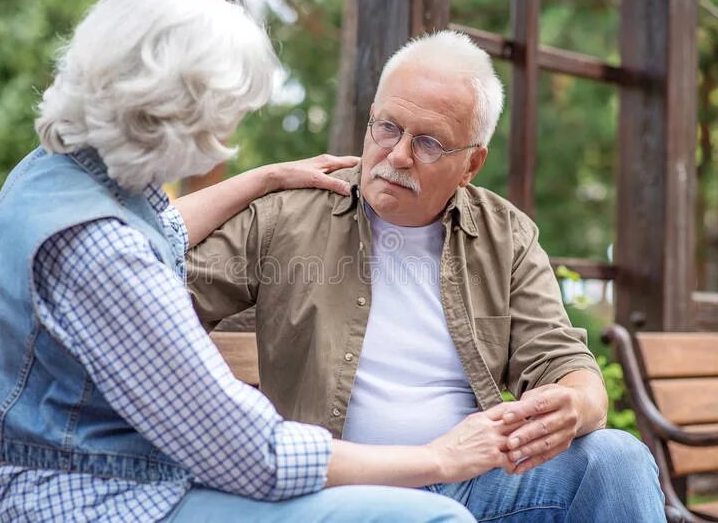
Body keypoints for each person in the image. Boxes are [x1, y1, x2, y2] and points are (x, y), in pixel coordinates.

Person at [0, 0, 537, 521]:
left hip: (124, 474)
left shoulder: (53, 173)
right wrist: (440, 459)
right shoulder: (100, 252)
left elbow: (159, 233)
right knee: (432, 517)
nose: (229, 130)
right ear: (172, 107)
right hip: (100, 498)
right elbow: (254, 453)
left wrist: (265, 177)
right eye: (226, 110)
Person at [187, 31, 666, 521]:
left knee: (616, 459)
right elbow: (148, 277)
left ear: (471, 164)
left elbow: (561, 359)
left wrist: (575, 404)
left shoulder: (506, 234)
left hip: (476, 486)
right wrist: (257, 179)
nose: (397, 156)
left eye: (430, 143)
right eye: (388, 127)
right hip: (344, 491)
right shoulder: (287, 215)